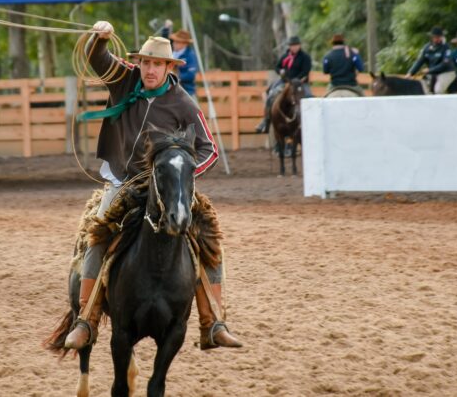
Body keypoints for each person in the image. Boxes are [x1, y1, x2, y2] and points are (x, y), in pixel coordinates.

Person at [64, 21, 242, 351]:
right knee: (96, 234)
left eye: (157, 64)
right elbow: (95, 58)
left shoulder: (182, 101)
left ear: (168, 67)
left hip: (169, 183)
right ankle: (85, 320)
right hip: (123, 178)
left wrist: (184, 175)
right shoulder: (125, 78)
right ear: (140, 63)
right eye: (145, 62)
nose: (149, 69)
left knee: (208, 237)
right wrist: (99, 38)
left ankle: (212, 322)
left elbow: (209, 148)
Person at [256, 36, 312, 134]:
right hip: (285, 81)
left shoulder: (305, 57)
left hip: (299, 83)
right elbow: (277, 67)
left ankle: (309, 122)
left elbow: (305, 71)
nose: (294, 47)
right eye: (292, 45)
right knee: (271, 95)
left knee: (308, 97)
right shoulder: (285, 56)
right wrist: (281, 72)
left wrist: (295, 81)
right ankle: (266, 120)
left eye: (295, 45)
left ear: (299, 45)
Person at [406, 27, 455, 94]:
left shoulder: (446, 47)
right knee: (423, 89)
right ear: (432, 37)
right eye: (435, 37)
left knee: (438, 90)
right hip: (432, 73)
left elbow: (445, 64)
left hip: (446, 72)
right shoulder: (426, 48)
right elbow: (419, 61)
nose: (437, 39)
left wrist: (429, 70)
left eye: (439, 37)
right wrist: (410, 73)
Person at [162, 20, 199, 99]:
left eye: (177, 42)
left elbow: (191, 75)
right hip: (171, 91)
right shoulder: (173, 51)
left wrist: (175, 77)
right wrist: (166, 28)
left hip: (187, 92)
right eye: (174, 41)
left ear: (184, 43)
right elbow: (164, 41)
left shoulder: (190, 55)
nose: (174, 43)